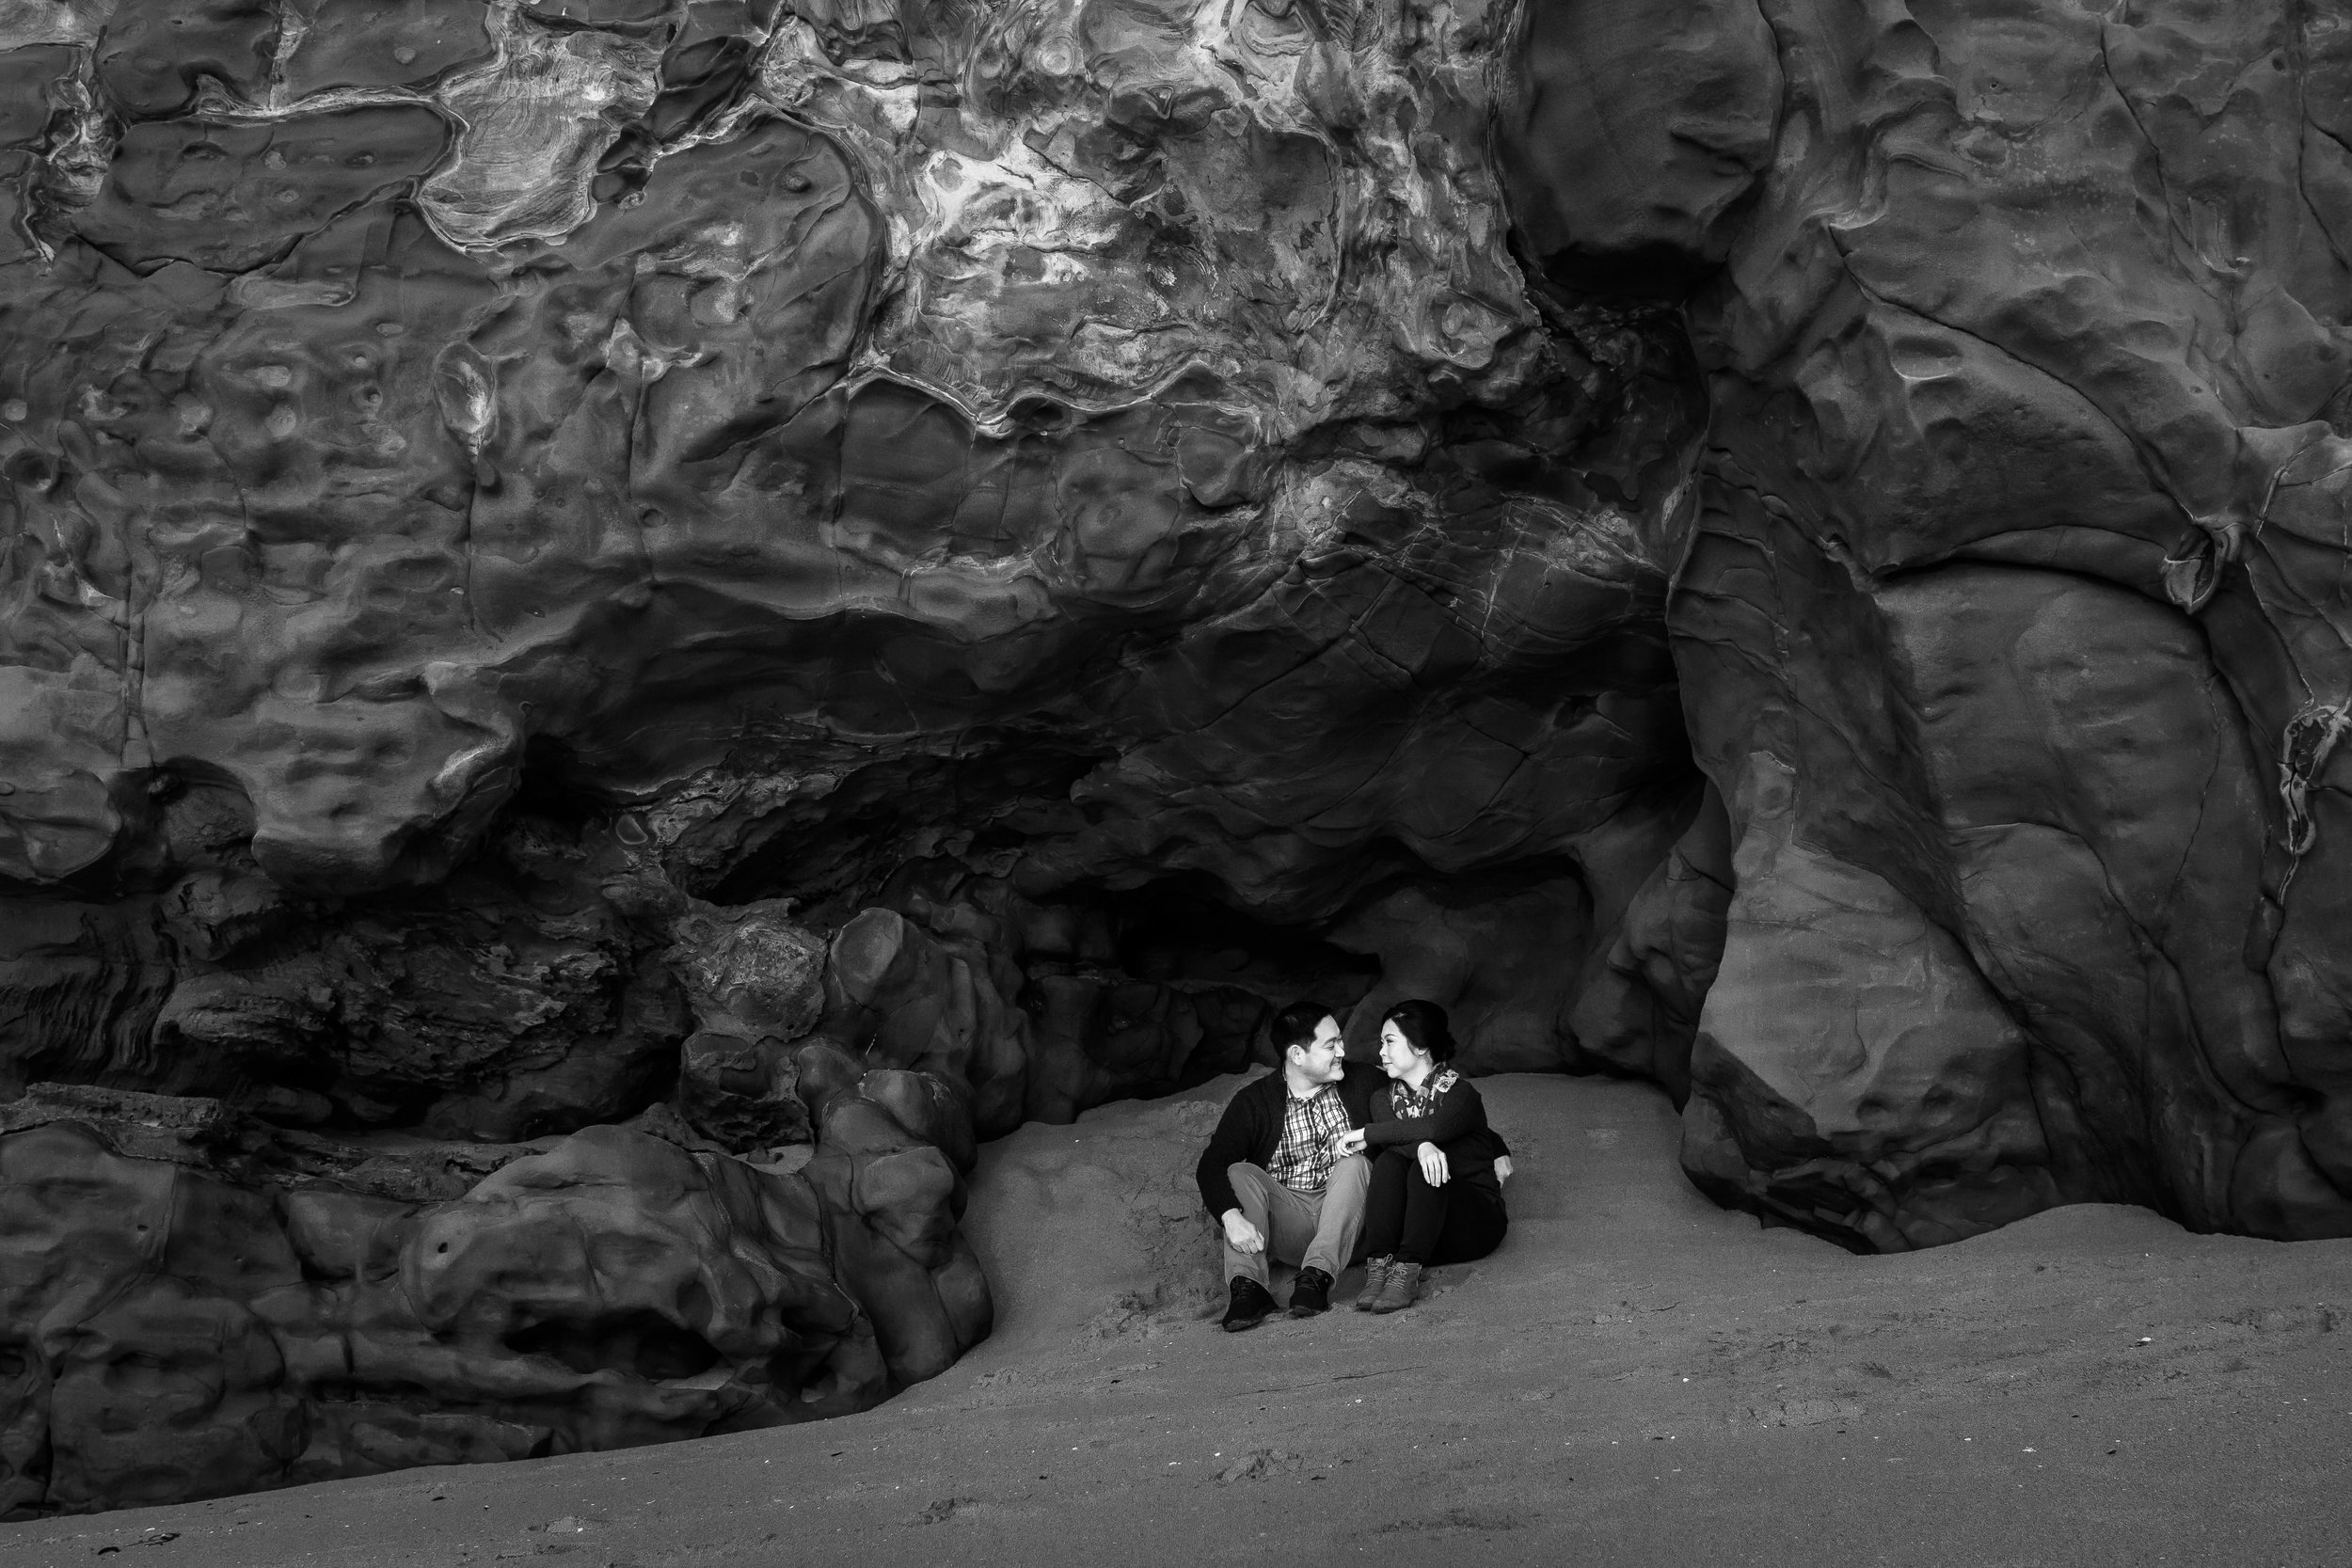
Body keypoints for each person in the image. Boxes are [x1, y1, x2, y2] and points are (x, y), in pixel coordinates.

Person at [1194, 1000, 1381, 1331]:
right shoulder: (1255, 1101)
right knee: (1239, 1171)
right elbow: (1212, 1163)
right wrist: (1230, 1216)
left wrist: (1493, 1147)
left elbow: (1421, 1104)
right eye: (1331, 1044)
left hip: (1351, 1220)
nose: (1342, 1050)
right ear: (1297, 1055)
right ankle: (1248, 1288)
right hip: (1289, 1222)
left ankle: (1315, 1279)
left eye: (1339, 1040)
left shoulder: (1364, 1080)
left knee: (1354, 1165)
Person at [1332, 999, 1509, 1314]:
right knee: (1391, 1160)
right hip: (1422, 1229)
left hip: (1473, 1223)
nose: (1381, 1052)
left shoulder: (1461, 1094)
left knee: (1421, 1168)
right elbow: (1408, 1138)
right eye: (1381, 1044)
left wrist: (1368, 1134)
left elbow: (1436, 1126)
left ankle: (1406, 1274)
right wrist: (1423, 1146)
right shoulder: (1382, 1099)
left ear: (1419, 1046)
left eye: (1389, 1042)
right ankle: (1380, 1268)